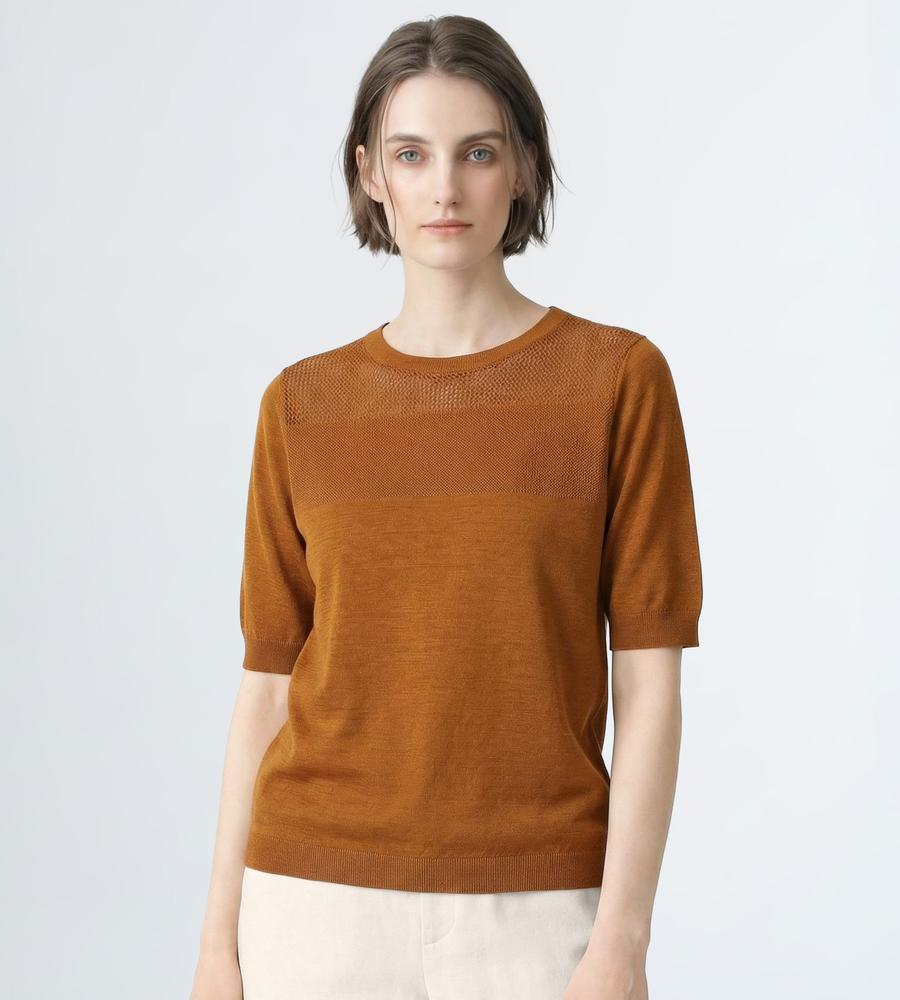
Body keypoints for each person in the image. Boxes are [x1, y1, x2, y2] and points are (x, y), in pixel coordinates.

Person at [190, 14, 703, 1000]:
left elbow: (650, 686)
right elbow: (265, 688)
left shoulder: (616, 383)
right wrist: (218, 946)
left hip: (538, 907)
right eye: (411, 154)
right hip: (310, 903)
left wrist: (622, 940)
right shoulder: (301, 405)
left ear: (524, 167)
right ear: (370, 174)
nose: (444, 189)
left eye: (478, 152)